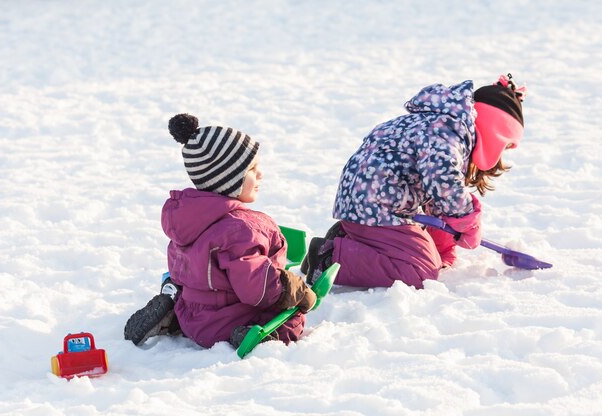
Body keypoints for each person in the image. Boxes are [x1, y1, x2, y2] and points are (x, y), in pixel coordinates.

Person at [302, 74, 526, 289]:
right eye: (505, 146)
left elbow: (434, 196)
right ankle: (329, 259)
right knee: (419, 271)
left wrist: (442, 247)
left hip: (364, 202)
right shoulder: (448, 134)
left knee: (427, 258)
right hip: (379, 207)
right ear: (495, 132)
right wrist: (467, 219)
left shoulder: (433, 123)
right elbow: (444, 181)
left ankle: (350, 239)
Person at [125, 113, 316, 349]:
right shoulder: (240, 230)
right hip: (225, 322)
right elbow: (257, 288)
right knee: (293, 319)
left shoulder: (189, 219)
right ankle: (251, 336)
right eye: (252, 169)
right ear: (228, 178)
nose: (260, 174)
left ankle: (173, 316)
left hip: (191, 313)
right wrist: (293, 290)